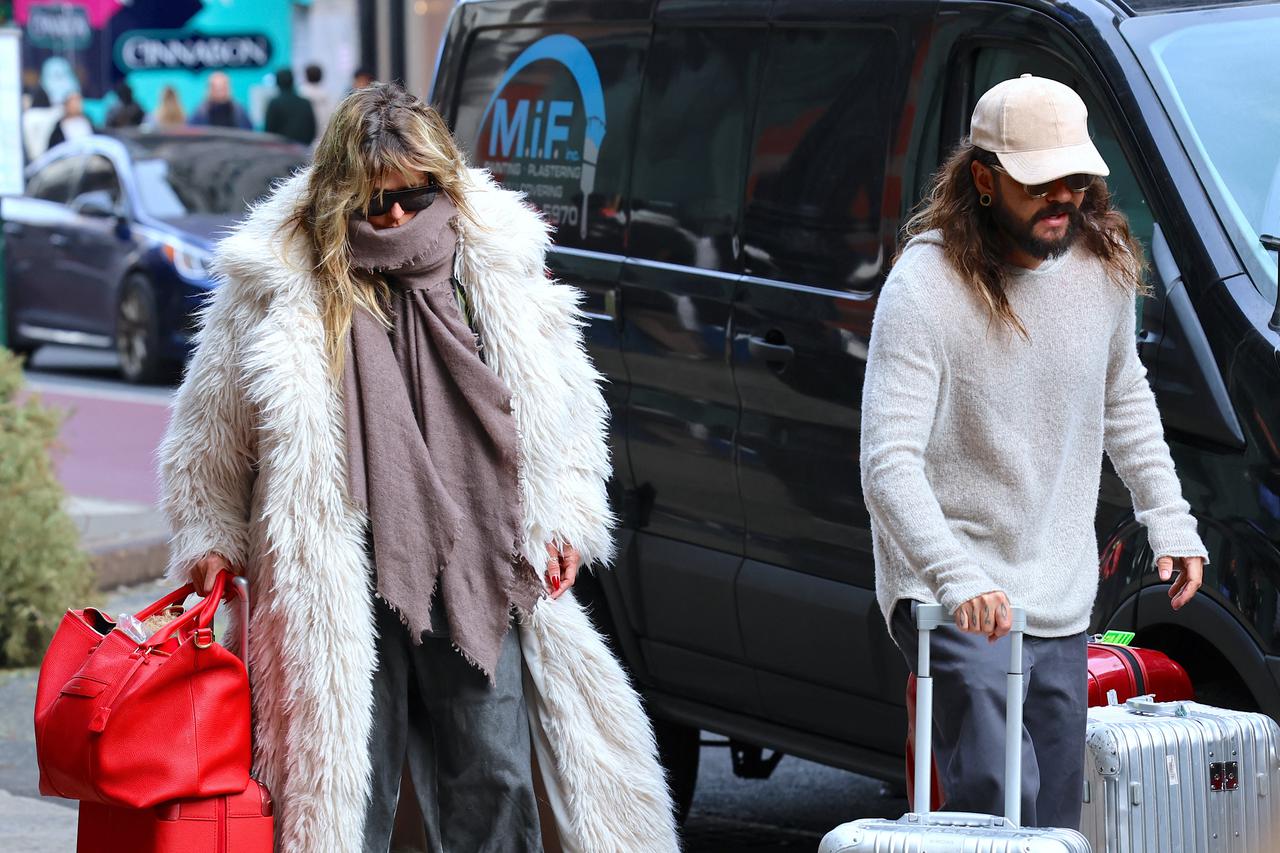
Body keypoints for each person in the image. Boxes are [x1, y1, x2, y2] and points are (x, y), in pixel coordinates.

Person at [156, 82, 677, 853]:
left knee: (493, 767)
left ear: (441, 182)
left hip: (475, 550)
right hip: (338, 562)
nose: (395, 216)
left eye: (412, 195)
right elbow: (210, 423)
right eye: (373, 202)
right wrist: (207, 531)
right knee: (349, 779)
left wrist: (565, 513)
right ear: (340, 191)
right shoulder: (278, 277)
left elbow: (560, 401)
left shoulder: (492, 256)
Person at [860, 74, 1208, 830]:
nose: (1063, 198)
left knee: (1054, 813)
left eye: (1075, 180)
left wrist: (1169, 519)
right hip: (951, 582)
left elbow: (1125, 398)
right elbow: (887, 461)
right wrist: (956, 578)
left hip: (1057, 582)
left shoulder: (1103, 267)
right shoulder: (924, 286)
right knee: (998, 794)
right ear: (983, 180)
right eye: (1038, 183)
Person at [264, 68, 317, 145]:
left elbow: (269, 131)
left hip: (280, 150)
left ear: (277, 83)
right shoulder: (305, 103)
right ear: (292, 81)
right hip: (302, 150)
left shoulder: (274, 103)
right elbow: (312, 129)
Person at [299, 62, 334, 134]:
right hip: (323, 135)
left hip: (304, 138)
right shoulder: (326, 94)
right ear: (321, 76)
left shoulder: (301, 93)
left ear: (306, 76)